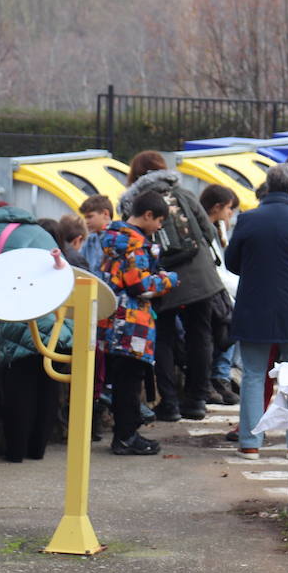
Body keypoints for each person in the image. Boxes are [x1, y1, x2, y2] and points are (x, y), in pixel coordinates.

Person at [226, 163, 288, 460]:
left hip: (254, 308)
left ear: (268, 187)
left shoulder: (248, 219)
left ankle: (250, 443)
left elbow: (232, 263)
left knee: (254, 376)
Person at [118, 150, 226, 423]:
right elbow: (209, 231)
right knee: (200, 335)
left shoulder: (135, 201)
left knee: (163, 338)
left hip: (160, 278)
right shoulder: (184, 193)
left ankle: (169, 403)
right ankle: (197, 400)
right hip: (199, 276)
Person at [0, 205, 75, 463]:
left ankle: (16, 452)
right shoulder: (40, 231)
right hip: (54, 316)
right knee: (48, 386)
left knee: (19, 387)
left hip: (18, 316)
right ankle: (37, 450)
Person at [99, 190, 177, 456]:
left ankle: (127, 433)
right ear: (147, 215)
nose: (159, 227)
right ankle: (125, 437)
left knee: (121, 379)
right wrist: (169, 280)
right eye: (159, 221)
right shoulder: (135, 243)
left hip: (112, 319)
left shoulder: (113, 238)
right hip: (132, 322)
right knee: (129, 382)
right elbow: (140, 284)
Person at [198, 183, 240, 406]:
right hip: (211, 291)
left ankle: (222, 375)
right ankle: (220, 376)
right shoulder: (206, 230)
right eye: (228, 208)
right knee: (228, 319)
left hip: (218, 289)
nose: (230, 213)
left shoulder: (216, 229)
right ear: (217, 208)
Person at [77, 195, 113, 272]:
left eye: (90, 217)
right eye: (85, 218)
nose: (86, 222)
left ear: (105, 214)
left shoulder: (119, 238)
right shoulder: (90, 240)